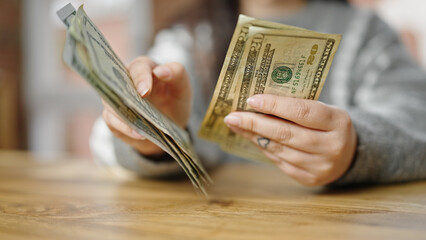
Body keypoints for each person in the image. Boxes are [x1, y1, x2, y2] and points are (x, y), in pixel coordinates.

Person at [90, 0, 426, 186]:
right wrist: (154, 137)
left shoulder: (367, 33)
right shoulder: (191, 38)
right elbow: (104, 141)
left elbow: (417, 119)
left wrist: (358, 147)